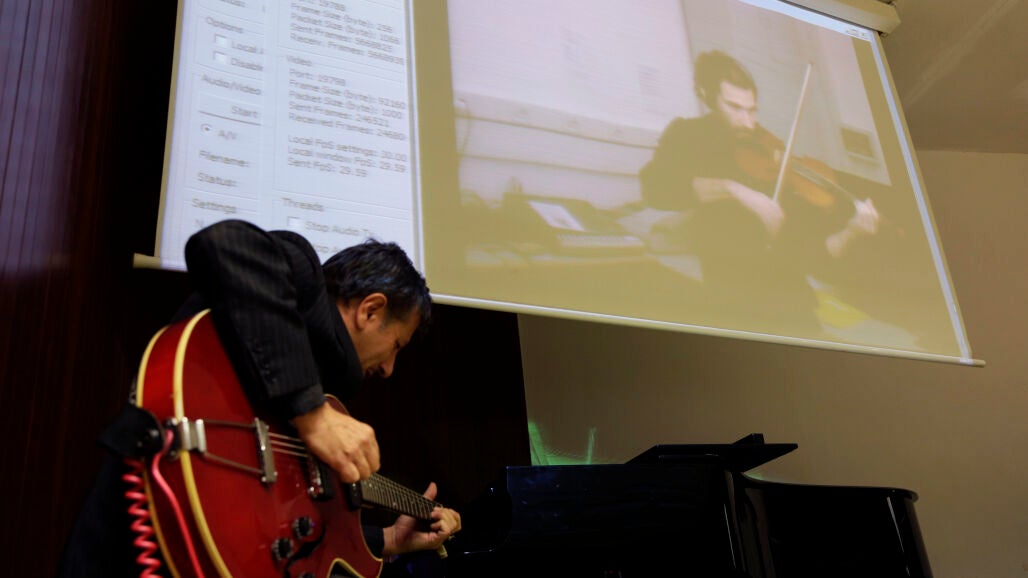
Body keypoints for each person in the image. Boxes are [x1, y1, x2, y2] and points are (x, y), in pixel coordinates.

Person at [58, 219, 461, 577]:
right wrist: (314, 415)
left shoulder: (326, 395)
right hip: (131, 534)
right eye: (396, 345)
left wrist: (388, 539)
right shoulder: (302, 278)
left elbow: (299, 532)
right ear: (370, 310)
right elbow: (225, 243)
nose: (389, 368)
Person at [638, 49, 880, 335]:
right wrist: (734, 189)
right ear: (707, 96)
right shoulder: (687, 135)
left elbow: (814, 256)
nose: (748, 122)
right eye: (735, 108)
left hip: (795, 305)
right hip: (735, 305)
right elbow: (656, 188)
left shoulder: (768, 154)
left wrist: (852, 231)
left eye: (752, 110)